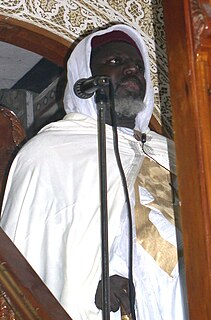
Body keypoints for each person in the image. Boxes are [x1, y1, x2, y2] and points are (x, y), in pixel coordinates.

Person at [0, 24, 187, 320]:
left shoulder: (173, 153)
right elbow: (23, 264)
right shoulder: (50, 152)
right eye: (116, 62)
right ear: (84, 80)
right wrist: (91, 285)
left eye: (138, 67)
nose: (131, 71)